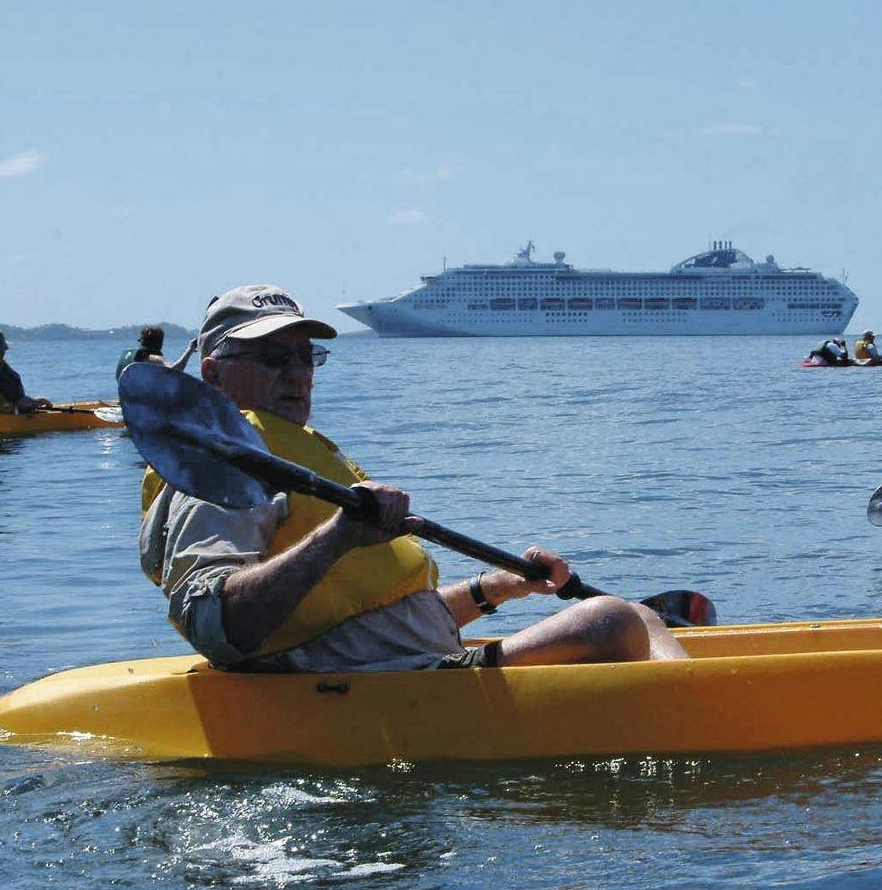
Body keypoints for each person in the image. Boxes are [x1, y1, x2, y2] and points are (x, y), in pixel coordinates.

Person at [141, 285, 687, 672]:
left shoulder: (296, 451)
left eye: (307, 357)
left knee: (636, 615)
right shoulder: (219, 467)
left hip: (408, 669)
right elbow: (213, 625)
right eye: (273, 357)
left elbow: (379, 618)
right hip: (352, 693)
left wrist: (497, 587)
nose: (297, 373)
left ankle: (701, 701)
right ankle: (711, 724)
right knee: (613, 620)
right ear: (212, 372)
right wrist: (337, 537)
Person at [116, 324, 197, 386]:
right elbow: (174, 372)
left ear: (141, 340)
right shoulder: (154, 358)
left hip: (125, 396)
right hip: (142, 400)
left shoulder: (128, 353)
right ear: (160, 343)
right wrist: (189, 350)